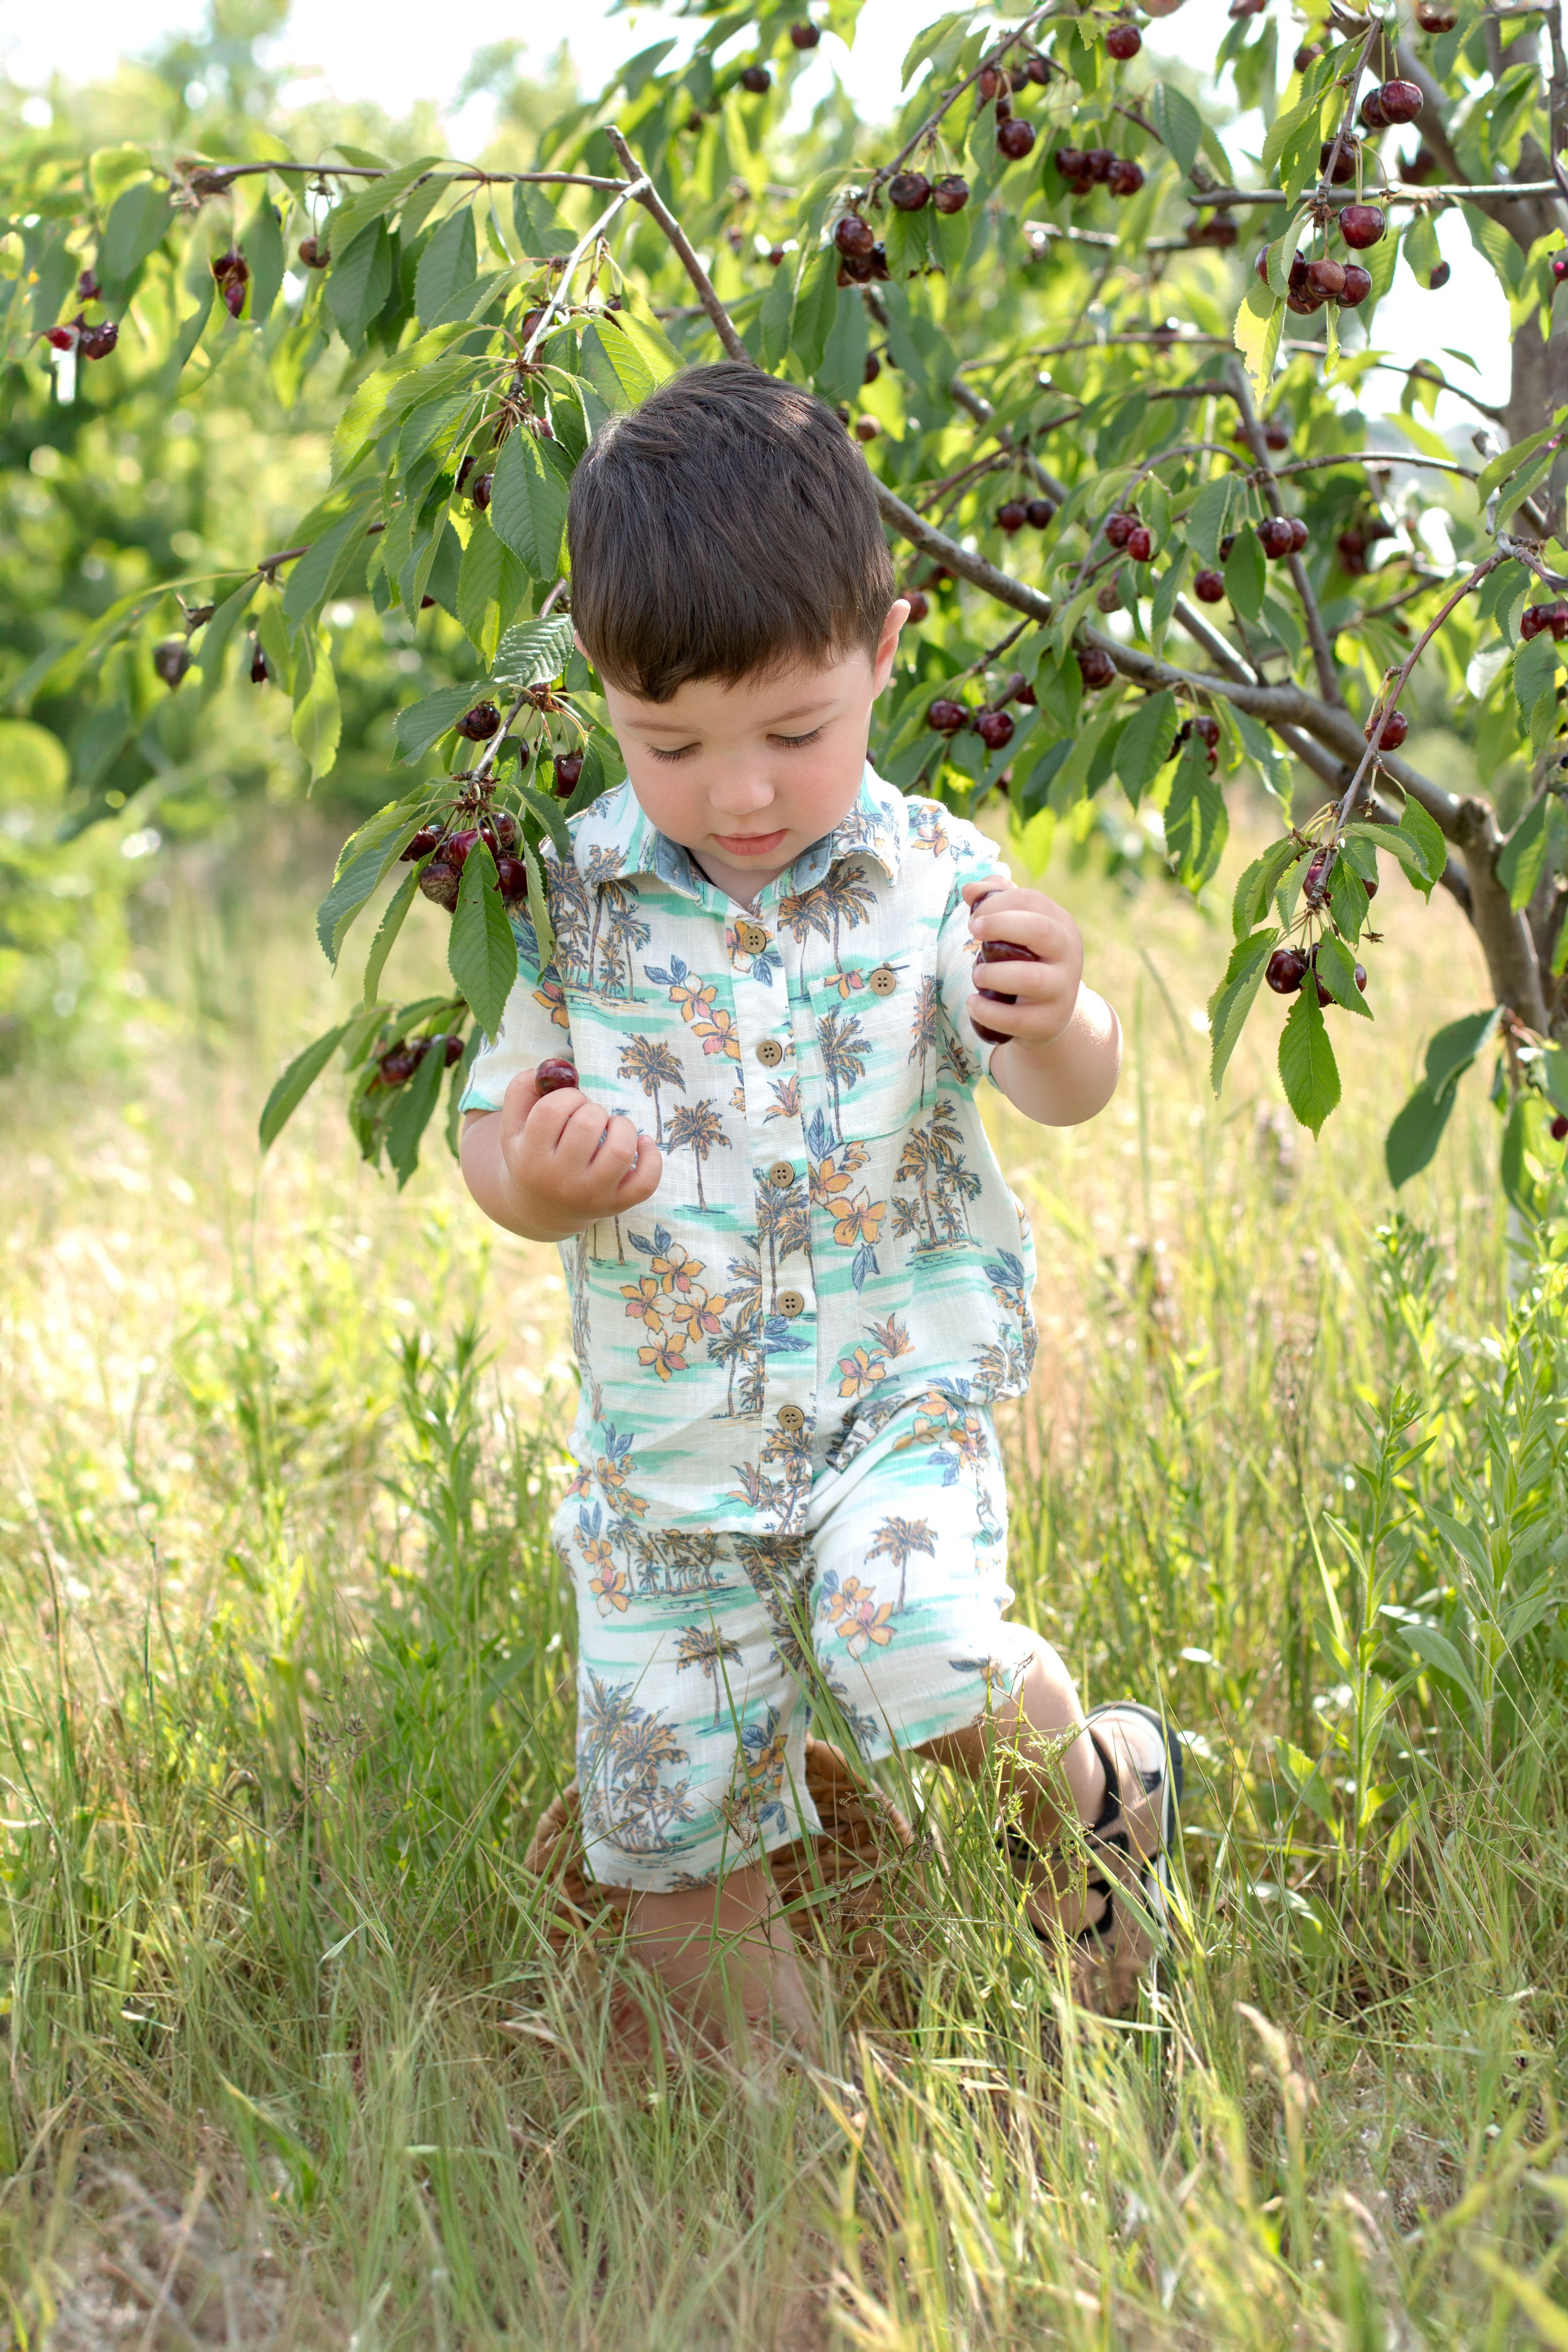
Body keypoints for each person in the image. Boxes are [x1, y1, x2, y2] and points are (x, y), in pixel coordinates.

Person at [459, 363, 1180, 2056]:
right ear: (602, 692)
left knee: (911, 1636)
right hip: (668, 1468)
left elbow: (1064, 1084)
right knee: (673, 1850)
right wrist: (534, 1181)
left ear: (884, 644)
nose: (740, 795)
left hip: (891, 1402)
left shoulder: (932, 875)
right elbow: (498, 1140)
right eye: (670, 745)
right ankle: (814, 2161)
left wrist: (1062, 1018)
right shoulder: (567, 900)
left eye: (794, 730)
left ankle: (1098, 1788)